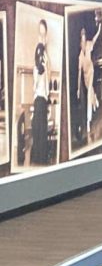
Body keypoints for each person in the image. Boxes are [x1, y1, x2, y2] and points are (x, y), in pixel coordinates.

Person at [31, 19, 50, 165]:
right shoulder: (37, 56)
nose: (41, 38)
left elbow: (47, 86)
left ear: (46, 37)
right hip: (37, 98)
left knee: (41, 131)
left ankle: (41, 161)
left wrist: (44, 68)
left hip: (42, 99)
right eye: (40, 34)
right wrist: (37, 71)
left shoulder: (46, 58)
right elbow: (34, 85)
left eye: (44, 35)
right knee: (36, 130)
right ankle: (37, 160)